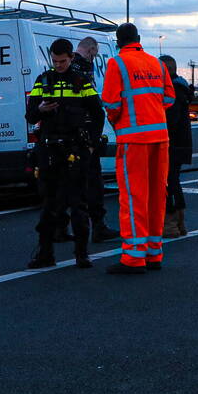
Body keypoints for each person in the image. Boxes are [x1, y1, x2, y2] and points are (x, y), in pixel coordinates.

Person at [101, 23, 175, 274]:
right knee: (156, 195)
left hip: (133, 141)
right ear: (139, 39)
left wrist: (119, 121)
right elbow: (169, 99)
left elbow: (111, 103)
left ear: (118, 41)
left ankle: (133, 258)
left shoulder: (117, 64)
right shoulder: (157, 63)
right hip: (160, 138)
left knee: (134, 198)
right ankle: (154, 253)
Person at [25, 38, 104, 269]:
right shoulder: (43, 80)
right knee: (49, 205)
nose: (58, 65)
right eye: (55, 61)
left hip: (75, 150)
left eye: (62, 61)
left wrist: (91, 145)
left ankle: (82, 254)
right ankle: (45, 254)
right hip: (49, 149)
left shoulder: (81, 82)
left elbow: (98, 115)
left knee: (78, 204)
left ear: (71, 57)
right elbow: (30, 116)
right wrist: (40, 110)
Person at [69, 36, 120, 243]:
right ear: (90, 50)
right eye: (94, 54)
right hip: (85, 135)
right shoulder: (82, 70)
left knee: (72, 185)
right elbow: (93, 107)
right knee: (92, 182)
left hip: (70, 134)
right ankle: (98, 227)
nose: (94, 58)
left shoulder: (64, 70)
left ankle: (71, 229)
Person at [159, 55, 193, 238]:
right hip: (181, 144)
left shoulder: (171, 93)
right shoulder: (182, 88)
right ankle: (179, 224)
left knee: (168, 184)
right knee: (174, 182)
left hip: (171, 145)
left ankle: (171, 225)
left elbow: (169, 122)